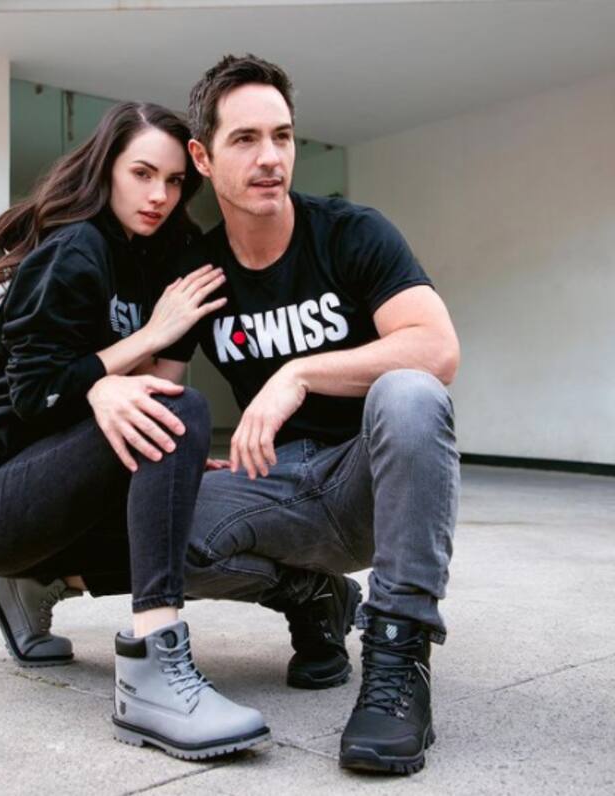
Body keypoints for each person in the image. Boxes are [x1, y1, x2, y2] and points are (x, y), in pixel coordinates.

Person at [145, 55, 461, 775]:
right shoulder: (198, 272)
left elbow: (437, 348)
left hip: (367, 482)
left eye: (282, 136)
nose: (270, 157)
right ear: (202, 157)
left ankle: (398, 658)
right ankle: (313, 597)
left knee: (411, 393)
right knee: (156, 520)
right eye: (245, 139)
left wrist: (300, 372)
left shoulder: (350, 233)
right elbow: (159, 399)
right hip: (276, 483)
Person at [0, 101, 270, 760]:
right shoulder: (74, 249)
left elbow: (157, 391)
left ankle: (30, 585)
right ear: (107, 168)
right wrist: (147, 339)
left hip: (65, 493)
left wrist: (176, 458)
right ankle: (152, 672)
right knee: (182, 414)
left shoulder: (172, 264)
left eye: (174, 181)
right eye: (142, 173)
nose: (159, 195)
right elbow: (35, 395)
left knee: (193, 507)